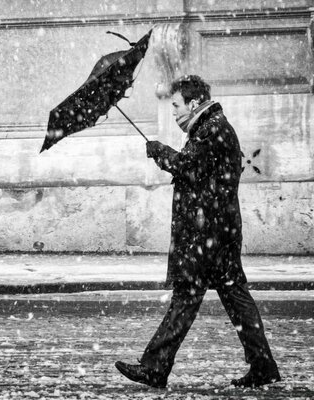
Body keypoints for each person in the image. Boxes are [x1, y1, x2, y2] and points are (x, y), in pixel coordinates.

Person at [115, 75, 281, 388]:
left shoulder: (212, 129)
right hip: (216, 232)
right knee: (232, 297)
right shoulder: (210, 126)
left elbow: (189, 167)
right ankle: (262, 366)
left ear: (193, 103)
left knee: (187, 298)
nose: (174, 112)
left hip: (208, 236)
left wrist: (160, 152)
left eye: (176, 105)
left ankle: (155, 367)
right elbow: (199, 172)